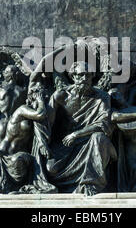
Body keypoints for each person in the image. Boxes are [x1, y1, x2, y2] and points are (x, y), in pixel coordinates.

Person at [45, 61, 117, 196]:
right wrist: (44, 144)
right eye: (80, 75)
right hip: (65, 145)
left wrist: (76, 134)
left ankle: (91, 184)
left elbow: (103, 123)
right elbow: (47, 122)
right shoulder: (60, 96)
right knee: (51, 169)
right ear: (73, 76)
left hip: (91, 143)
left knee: (99, 137)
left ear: (92, 76)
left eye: (88, 75)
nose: (84, 79)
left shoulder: (102, 97)